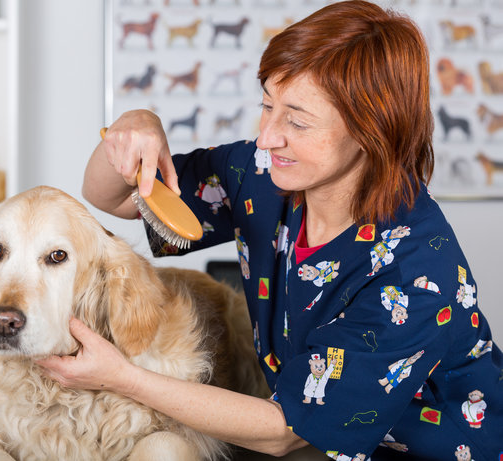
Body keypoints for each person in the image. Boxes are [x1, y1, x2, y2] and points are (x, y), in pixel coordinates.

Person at [37, 1, 503, 459]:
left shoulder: (418, 271)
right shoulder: (258, 173)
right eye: (266, 105)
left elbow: (284, 431)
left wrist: (122, 377)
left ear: (371, 130)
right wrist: (135, 125)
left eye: (297, 121)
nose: (267, 136)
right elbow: (110, 197)